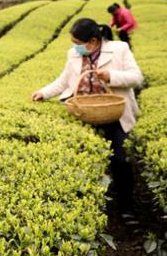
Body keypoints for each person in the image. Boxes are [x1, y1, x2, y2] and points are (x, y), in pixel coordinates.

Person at [31, 18, 143, 212]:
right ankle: (92, 206)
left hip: (114, 113)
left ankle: (126, 205)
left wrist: (111, 76)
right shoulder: (73, 55)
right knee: (81, 160)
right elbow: (64, 81)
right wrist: (43, 92)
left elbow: (137, 78)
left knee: (120, 160)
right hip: (83, 111)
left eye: (78, 44)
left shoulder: (120, 49)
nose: (75, 48)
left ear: (92, 41)